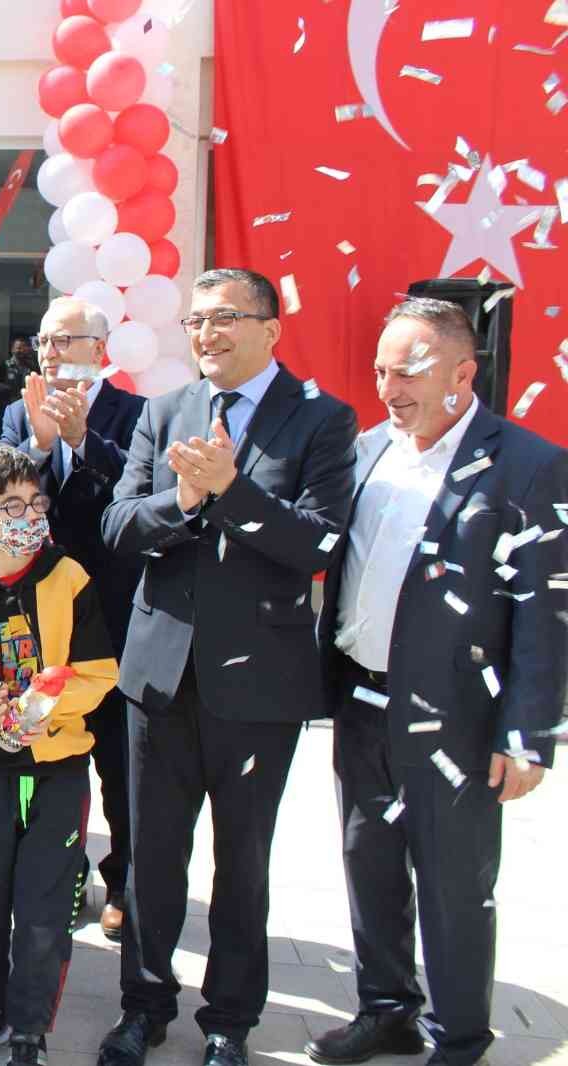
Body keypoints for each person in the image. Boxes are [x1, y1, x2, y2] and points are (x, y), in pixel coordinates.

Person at [97, 268, 357, 1066]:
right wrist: (182, 500)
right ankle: (144, 1006)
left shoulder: (322, 419)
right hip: (160, 677)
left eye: (226, 320)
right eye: (198, 322)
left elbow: (318, 542)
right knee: (152, 857)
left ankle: (229, 1022)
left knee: (242, 863)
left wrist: (232, 491)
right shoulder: (165, 411)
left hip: (259, 685)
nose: (207, 335)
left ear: (271, 329)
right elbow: (117, 525)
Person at [307, 298, 568, 1066]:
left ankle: (457, 1035)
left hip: (456, 712)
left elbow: (546, 614)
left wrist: (529, 736)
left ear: (463, 370)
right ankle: (385, 1008)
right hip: (359, 700)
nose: (389, 385)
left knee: (454, 882)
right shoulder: (366, 451)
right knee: (370, 863)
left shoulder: (526, 463)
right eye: (382, 368)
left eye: (408, 368)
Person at [0, 445, 119, 1066]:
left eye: (35, 501)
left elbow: (99, 673)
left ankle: (31, 1029)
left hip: (59, 767)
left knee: (43, 908)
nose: (28, 514)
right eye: (9, 506)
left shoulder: (70, 578)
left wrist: (45, 707)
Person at [3, 296, 146, 939]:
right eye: (45, 341)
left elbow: (132, 498)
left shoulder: (138, 413)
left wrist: (84, 439)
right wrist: (36, 443)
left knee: (118, 763)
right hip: (35, 618)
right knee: (43, 758)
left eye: (67, 340)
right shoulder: (16, 411)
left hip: (109, 613)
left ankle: (125, 881)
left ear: (101, 346)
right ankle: (62, 873)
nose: (54, 353)